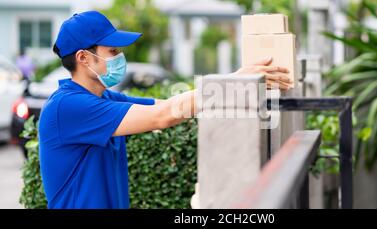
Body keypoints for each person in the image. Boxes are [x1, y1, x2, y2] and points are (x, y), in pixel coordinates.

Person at [39, 11, 292, 209]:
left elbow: (164, 106)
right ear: (83, 58)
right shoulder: (68, 107)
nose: (120, 57)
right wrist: (230, 84)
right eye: (113, 51)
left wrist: (231, 80)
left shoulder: (103, 98)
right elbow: (164, 116)